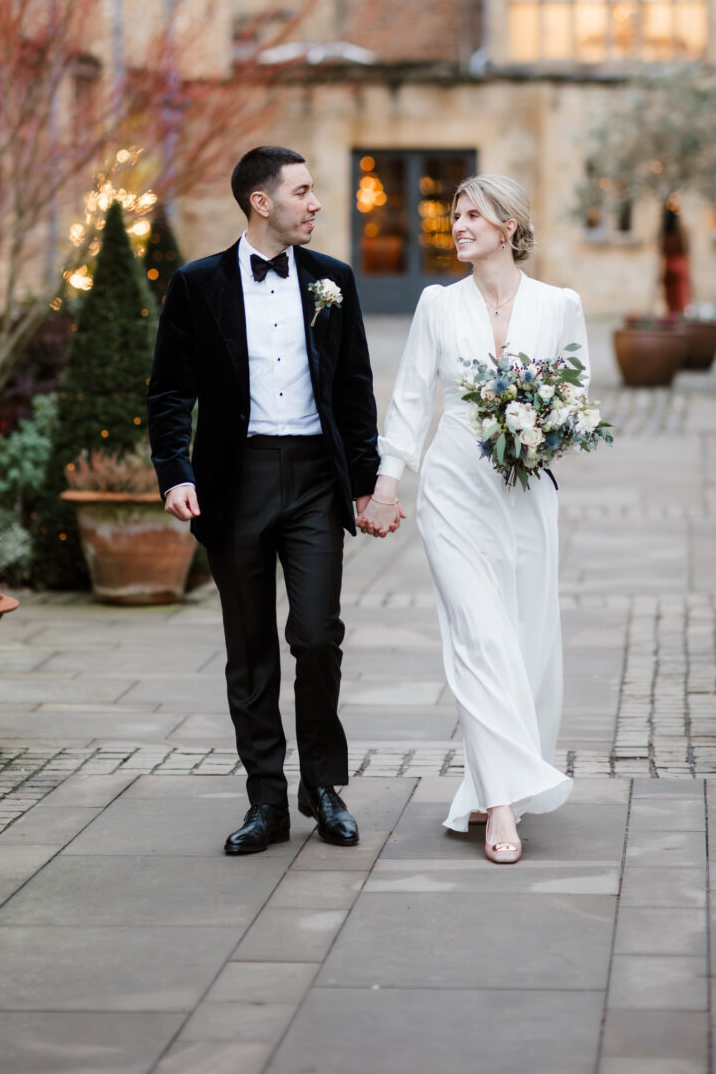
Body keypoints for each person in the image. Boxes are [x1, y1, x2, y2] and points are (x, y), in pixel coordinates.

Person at [148, 146, 389, 855]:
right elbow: (169, 392)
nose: (316, 203)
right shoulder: (198, 285)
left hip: (316, 478)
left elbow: (354, 391)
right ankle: (265, 799)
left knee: (317, 635)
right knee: (249, 648)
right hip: (237, 480)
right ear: (262, 202)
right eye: (304, 192)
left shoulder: (332, 282)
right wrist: (175, 471)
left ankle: (322, 786)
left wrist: (368, 483)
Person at [359, 175, 586, 864]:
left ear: (509, 225)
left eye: (472, 215)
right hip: (452, 488)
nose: (458, 225)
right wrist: (386, 485)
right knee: (478, 641)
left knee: (524, 642)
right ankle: (503, 810)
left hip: (523, 494)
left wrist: (543, 433)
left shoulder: (559, 305)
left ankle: (496, 782)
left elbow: (577, 402)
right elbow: (409, 399)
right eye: (454, 215)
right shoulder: (437, 304)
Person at [660, 205, 691, 315]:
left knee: (671, 292)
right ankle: (682, 313)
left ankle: (673, 313)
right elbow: (687, 247)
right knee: (681, 291)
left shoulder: (666, 234)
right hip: (679, 262)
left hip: (669, 262)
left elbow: (662, 249)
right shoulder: (681, 232)